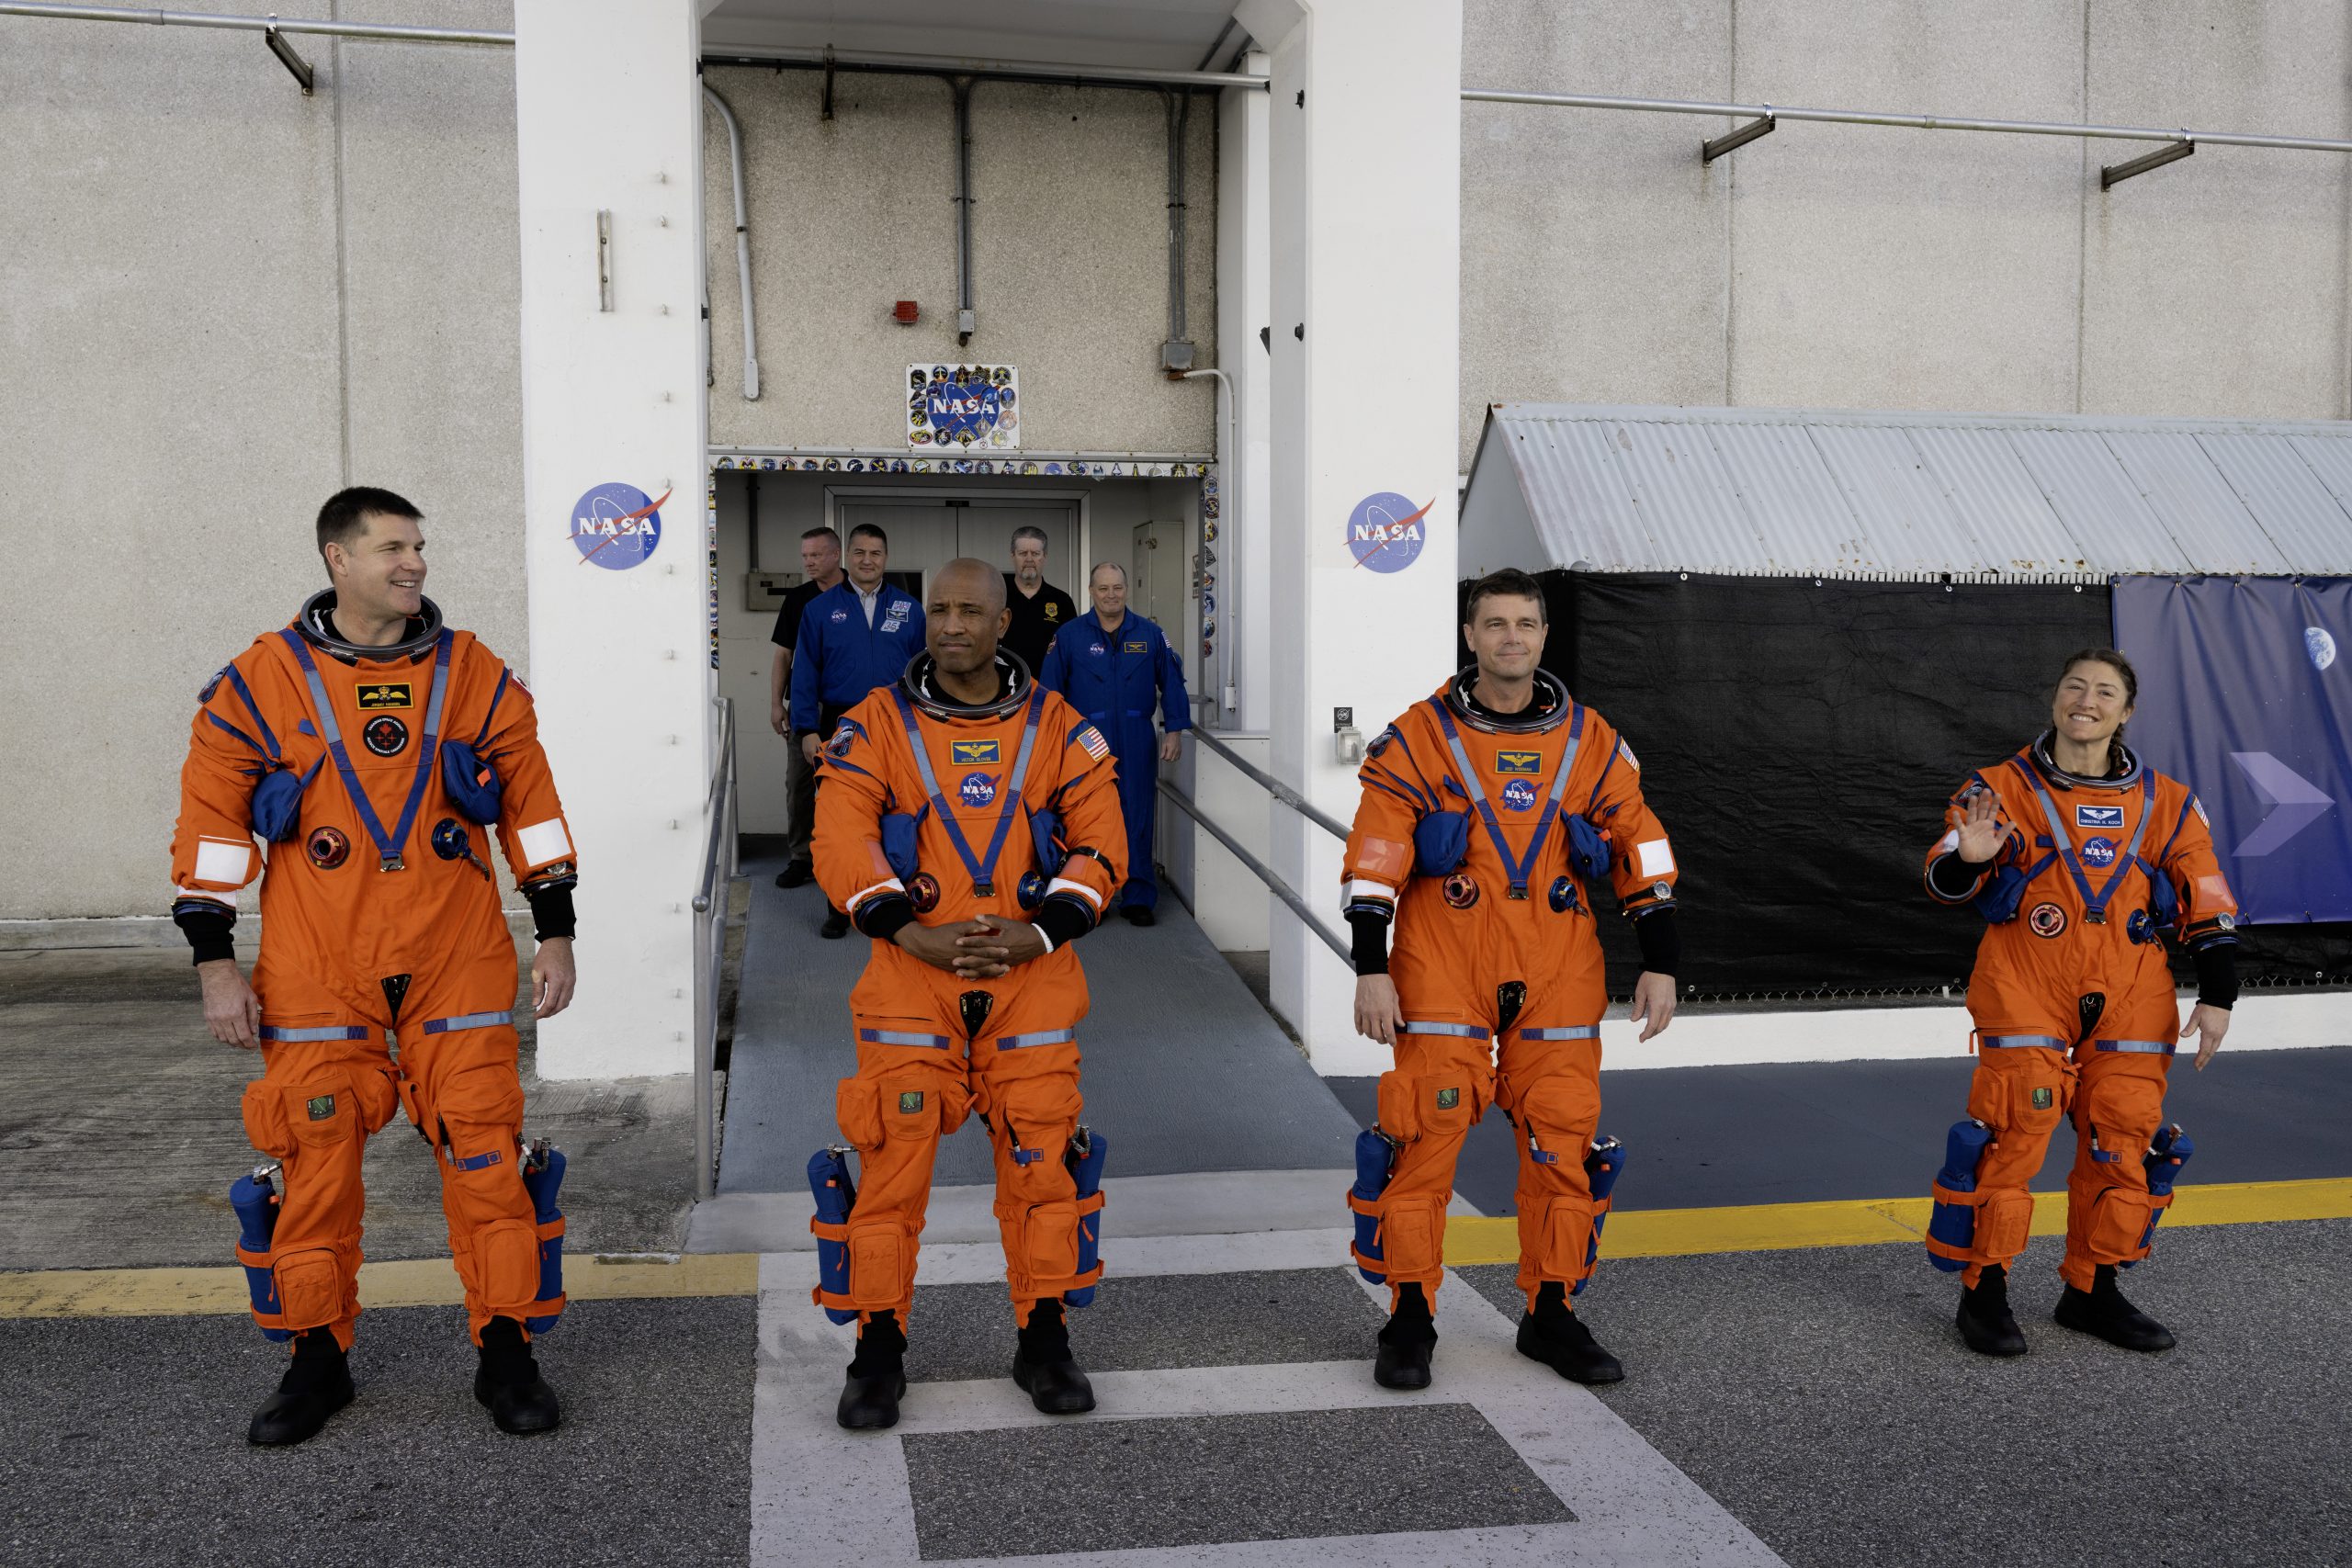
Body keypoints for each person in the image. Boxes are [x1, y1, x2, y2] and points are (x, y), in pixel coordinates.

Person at [172, 487, 580, 1446]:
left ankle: (508, 1356)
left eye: (420, 547)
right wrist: (213, 965)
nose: (415, 564)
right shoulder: (258, 682)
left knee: (485, 1159)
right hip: (319, 966)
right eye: (393, 547)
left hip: (456, 955)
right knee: (312, 1169)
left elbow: (533, 804)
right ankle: (316, 1366)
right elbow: (210, 828)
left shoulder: (473, 673)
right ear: (337, 559)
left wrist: (553, 927)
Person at [1341, 568, 1682, 1391]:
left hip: (1557, 968)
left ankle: (1551, 1311)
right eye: (1493, 624)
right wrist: (1370, 969)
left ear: (1543, 636)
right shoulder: (1420, 737)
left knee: (1564, 1147)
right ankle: (1411, 1315)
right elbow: (1375, 857)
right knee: (1422, 1146)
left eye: (1524, 624)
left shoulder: (1591, 740)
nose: (1510, 638)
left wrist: (1662, 959)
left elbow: (1643, 847)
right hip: (1441, 968)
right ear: (1469, 635)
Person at [809, 558, 1127, 1431]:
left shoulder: (1061, 726)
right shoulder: (874, 724)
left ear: (1003, 624)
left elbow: (1102, 839)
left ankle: (1044, 1337)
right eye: (939, 609)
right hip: (912, 974)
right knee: (892, 1162)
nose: (952, 624)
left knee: (1042, 1163)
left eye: (970, 611)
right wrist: (902, 927)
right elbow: (839, 833)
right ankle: (878, 1350)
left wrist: (1045, 929)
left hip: (1031, 978)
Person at [1921, 648, 2236, 1357]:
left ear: (2126, 712)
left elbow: (2208, 900)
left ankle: (2091, 1290)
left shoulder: (2170, 802)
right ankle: (1986, 1288)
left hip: (2132, 988)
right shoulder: (1997, 788)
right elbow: (1942, 881)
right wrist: (1968, 859)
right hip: (2026, 980)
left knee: (2122, 1137)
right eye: (2074, 686)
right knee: (2014, 1130)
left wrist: (2219, 994)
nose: (2085, 700)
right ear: (2055, 699)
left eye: (2104, 691)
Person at [791, 522, 926, 938]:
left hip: (898, 723)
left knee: (901, 812)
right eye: (860, 553)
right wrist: (806, 728)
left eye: (876, 554)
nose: (868, 561)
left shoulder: (909, 608)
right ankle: (838, 904)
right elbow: (804, 672)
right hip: (840, 723)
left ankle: (902, 899)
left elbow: (924, 669)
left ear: (886, 559)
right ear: (848, 557)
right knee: (839, 818)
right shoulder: (818, 609)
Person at [1038, 562, 1189, 925]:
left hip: (1137, 736)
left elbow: (1172, 681)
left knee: (1137, 815)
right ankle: (1095, 895)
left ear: (1126, 590)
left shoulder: (1150, 634)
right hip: (1086, 741)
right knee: (1089, 817)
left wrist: (1174, 729)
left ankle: (1137, 896)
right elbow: (1049, 692)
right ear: (1091, 591)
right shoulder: (1070, 635)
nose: (1111, 595)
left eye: (1117, 588)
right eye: (1103, 588)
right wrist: (1051, 744)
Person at [769, 525, 844, 890]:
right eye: (805, 556)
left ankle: (854, 857)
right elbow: (783, 655)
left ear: (835, 555)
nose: (809, 562)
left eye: (815, 555)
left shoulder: (857, 594)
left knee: (854, 787)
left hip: (850, 707)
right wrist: (775, 704)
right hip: (805, 706)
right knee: (799, 786)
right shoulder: (798, 599)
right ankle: (802, 858)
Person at [1000, 525, 1078, 677]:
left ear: (1045, 556)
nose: (1029, 559)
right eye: (1022, 553)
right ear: (1012, 555)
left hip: (1047, 691)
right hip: (1003, 691)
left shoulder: (1062, 601)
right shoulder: (997, 596)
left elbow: (1072, 651)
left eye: (1035, 553)